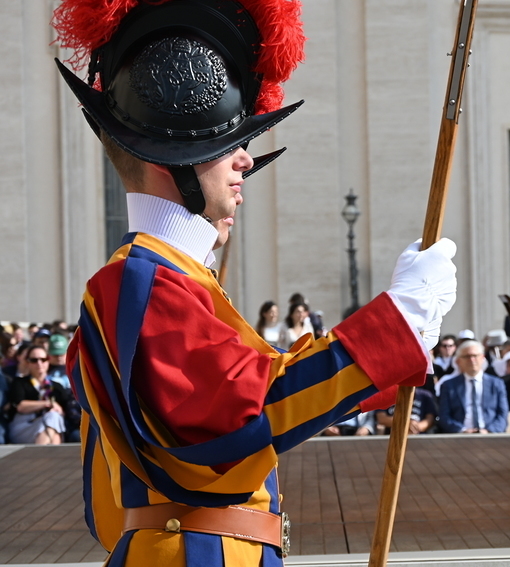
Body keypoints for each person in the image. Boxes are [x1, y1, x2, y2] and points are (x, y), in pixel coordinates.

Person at [53, 1, 457, 565]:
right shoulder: (142, 281)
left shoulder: (166, 280)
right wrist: (397, 324)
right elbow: (256, 406)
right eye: (228, 144)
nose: (245, 161)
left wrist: (396, 342)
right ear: (178, 158)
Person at [437, 341, 509, 434]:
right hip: (460, 438)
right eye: (467, 356)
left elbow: (503, 414)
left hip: (490, 436)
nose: (472, 360)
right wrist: (462, 430)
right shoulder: (449, 385)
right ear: (459, 361)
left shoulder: (497, 384)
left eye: (475, 356)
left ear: (482, 358)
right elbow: (444, 416)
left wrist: (489, 431)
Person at [5, 346, 66, 445]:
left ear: (48, 361)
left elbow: (64, 411)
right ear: (27, 362)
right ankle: (50, 457)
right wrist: (48, 403)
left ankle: (42, 457)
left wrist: (58, 409)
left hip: (49, 425)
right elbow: (21, 406)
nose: (39, 363)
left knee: (53, 418)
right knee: (53, 423)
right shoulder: (19, 382)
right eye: (34, 360)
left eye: (43, 359)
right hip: (24, 425)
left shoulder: (57, 387)